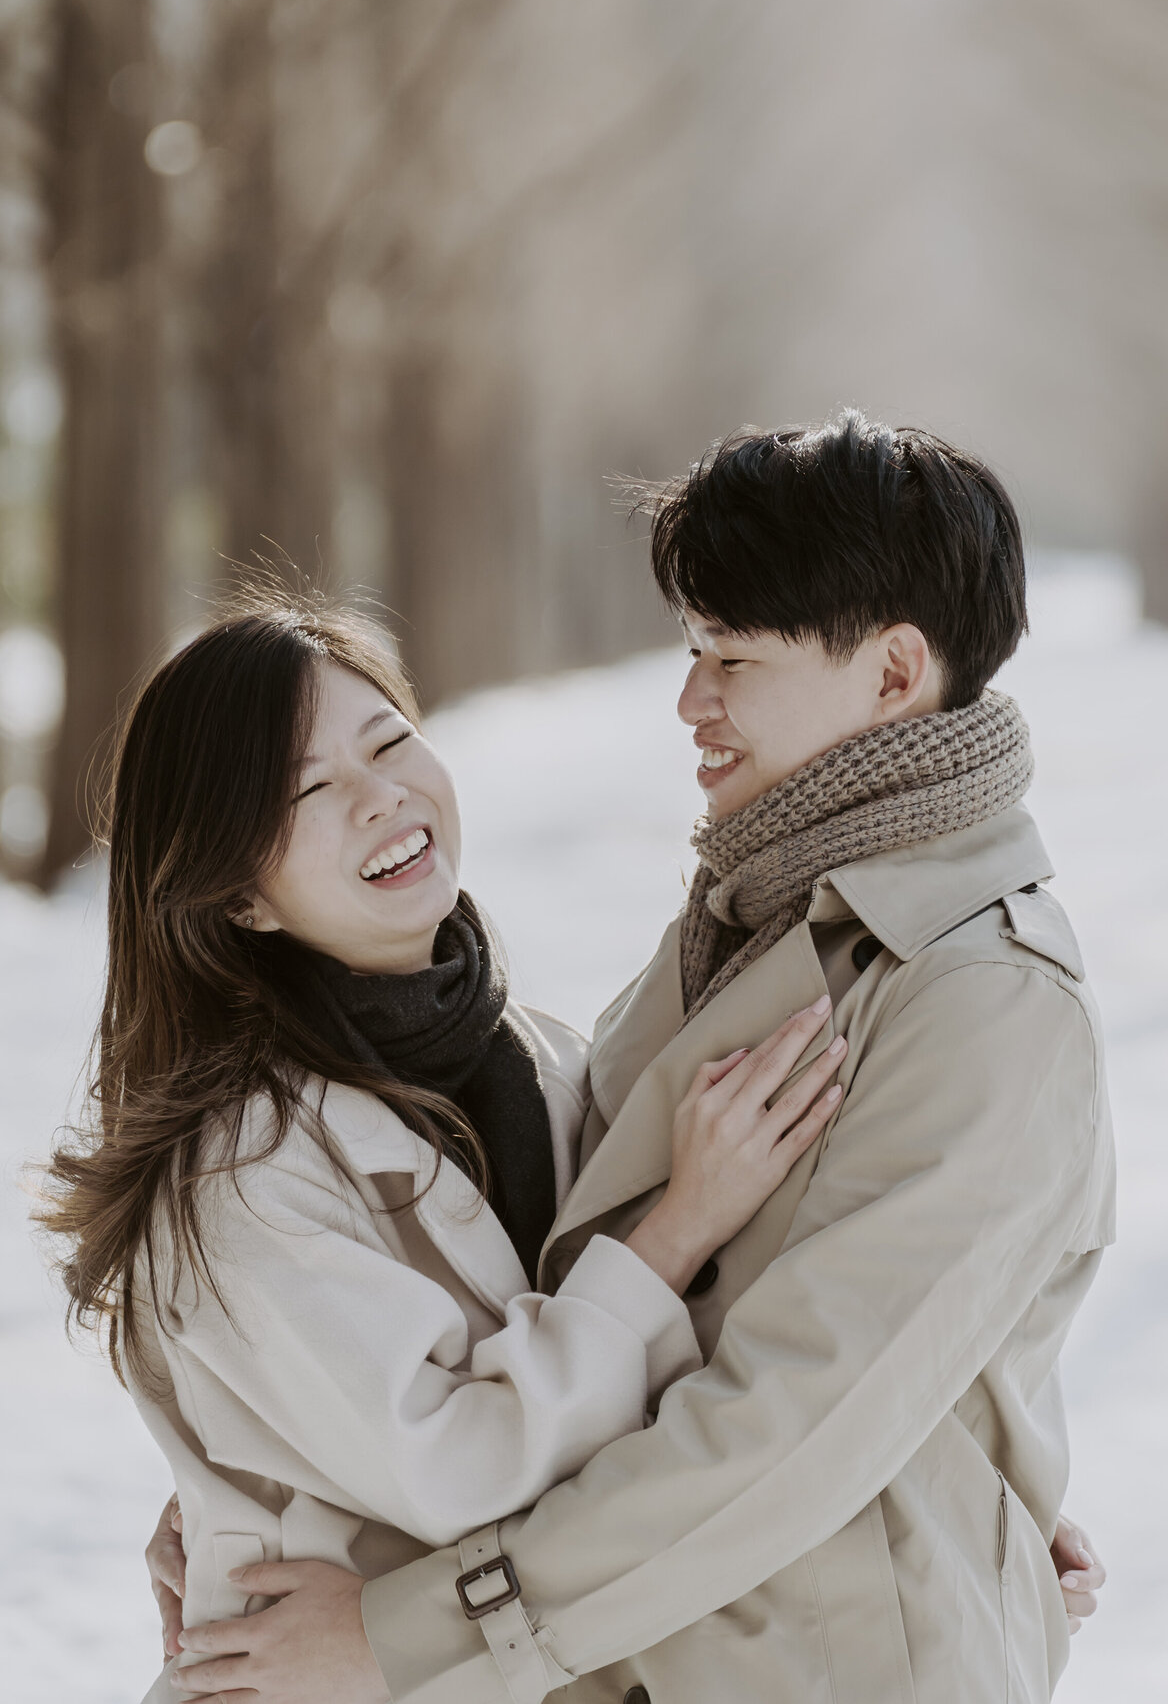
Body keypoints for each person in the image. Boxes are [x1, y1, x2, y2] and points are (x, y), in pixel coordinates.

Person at [159, 412, 1114, 1703]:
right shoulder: (757, 910)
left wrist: (402, 1629)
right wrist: (256, 1488)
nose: (688, 698)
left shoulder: (984, 995)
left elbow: (785, 1427)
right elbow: (542, 1290)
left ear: (894, 674)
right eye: (690, 646)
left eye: (731, 655)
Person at [41, 589, 851, 1703]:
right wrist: (671, 1233)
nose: (381, 796)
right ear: (239, 895)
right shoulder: (235, 1170)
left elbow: (716, 1349)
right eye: (311, 788)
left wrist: (931, 1488)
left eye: (388, 740)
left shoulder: (544, 1059)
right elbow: (463, 1463)